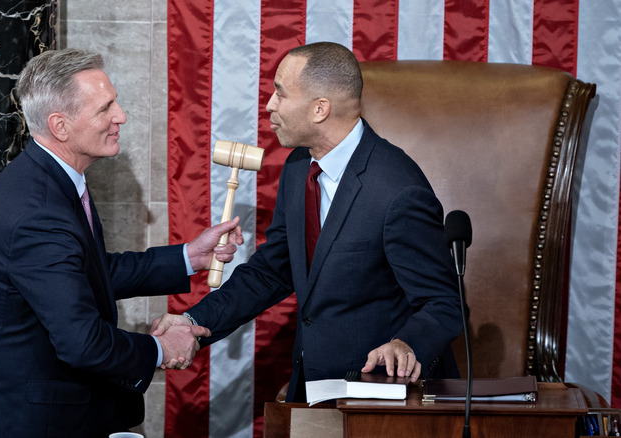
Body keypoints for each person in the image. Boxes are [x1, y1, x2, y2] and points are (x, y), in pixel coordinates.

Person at [0, 48, 243, 437]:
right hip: (27, 421)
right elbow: (82, 342)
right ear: (61, 126)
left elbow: (85, 273)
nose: (120, 115)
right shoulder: (39, 211)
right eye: (105, 108)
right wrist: (161, 349)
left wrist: (189, 256)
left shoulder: (47, 177)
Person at [152, 42, 464, 402]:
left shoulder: (398, 191)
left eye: (280, 94)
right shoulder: (299, 166)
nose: (269, 105)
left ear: (320, 109)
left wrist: (405, 343)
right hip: (311, 389)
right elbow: (273, 270)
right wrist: (194, 324)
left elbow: (444, 302)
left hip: (378, 398)